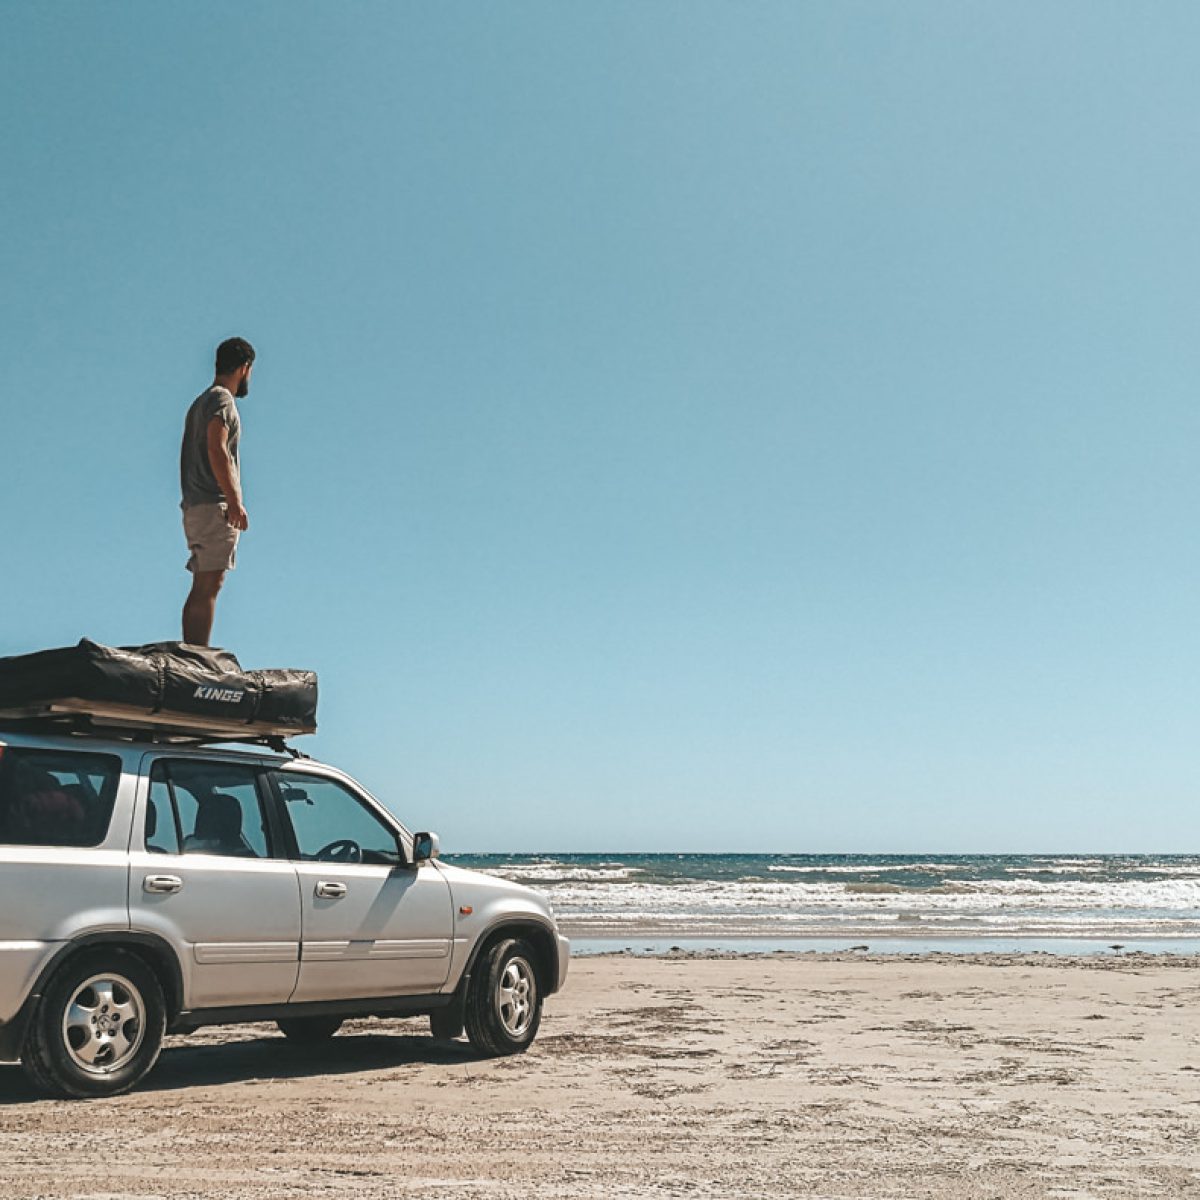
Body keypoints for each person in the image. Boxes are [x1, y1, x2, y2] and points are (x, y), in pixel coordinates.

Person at [180, 337, 255, 646]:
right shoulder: (222, 401)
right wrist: (235, 501)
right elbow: (217, 448)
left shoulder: (200, 403)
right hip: (213, 502)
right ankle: (198, 657)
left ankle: (195, 655)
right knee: (209, 582)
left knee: (206, 581)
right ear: (244, 368)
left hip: (196, 502)